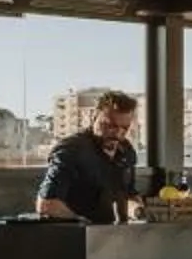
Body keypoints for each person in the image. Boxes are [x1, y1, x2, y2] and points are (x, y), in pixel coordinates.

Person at [36, 91, 142, 225]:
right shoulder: (71, 150)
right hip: (76, 237)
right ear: (94, 116)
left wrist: (139, 211)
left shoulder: (126, 151)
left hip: (111, 236)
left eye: (124, 128)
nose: (117, 134)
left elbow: (128, 196)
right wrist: (83, 224)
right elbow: (47, 205)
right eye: (110, 126)